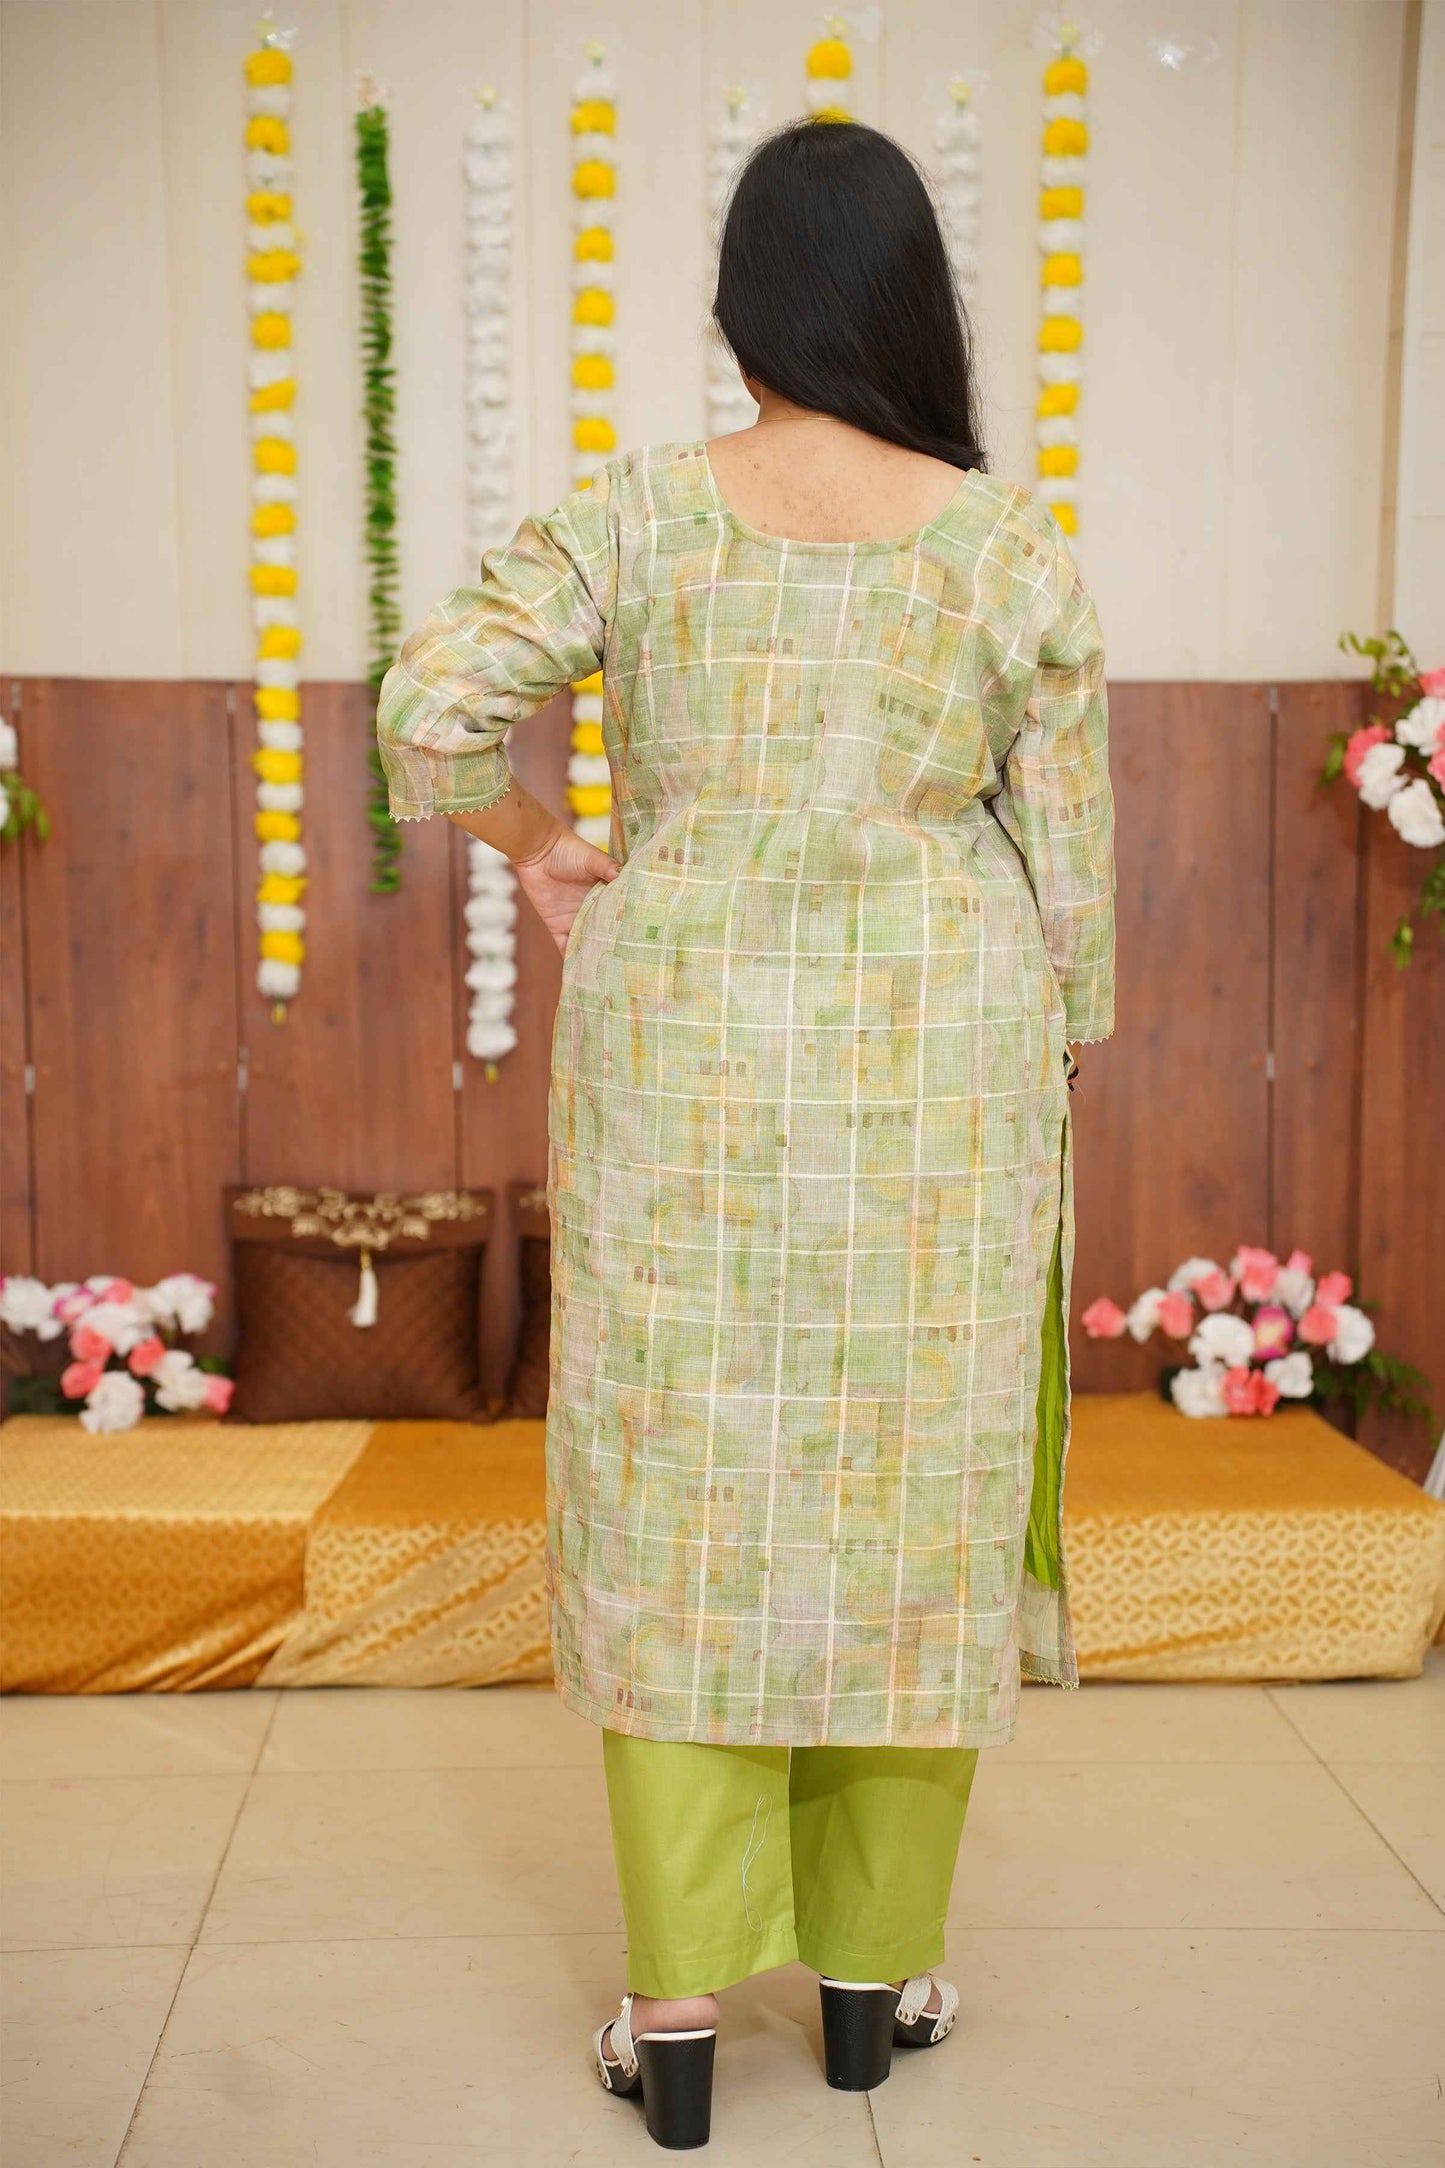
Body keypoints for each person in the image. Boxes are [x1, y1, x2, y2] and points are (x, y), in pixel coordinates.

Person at [377, 116, 1114, 2153]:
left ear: (739, 307)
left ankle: (677, 2010)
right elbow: (1073, 905)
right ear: (913, 306)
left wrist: (548, 845)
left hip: (682, 1065)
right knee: (912, 1492)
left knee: (679, 1492)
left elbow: (429, 710)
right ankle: (870, 1985)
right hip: (940, 1066)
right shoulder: (1009, 550)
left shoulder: (636, 517)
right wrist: (1045, 1053)